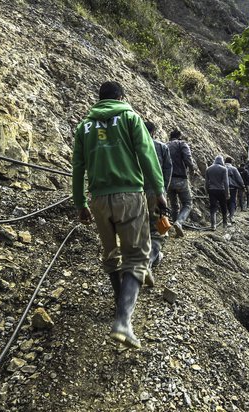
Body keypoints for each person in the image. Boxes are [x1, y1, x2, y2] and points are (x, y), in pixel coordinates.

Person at [72, 81, 167, 349]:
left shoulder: (84, 127)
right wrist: (159, 191)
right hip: (129, 195)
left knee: (111, 254)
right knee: (137, 256)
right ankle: (123, 321)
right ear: (122, 97)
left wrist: (80, 203)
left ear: (99, 99)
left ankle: (119, 304)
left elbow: (78, 167)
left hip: (99, 200)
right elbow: (147, 155)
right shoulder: (130, 118)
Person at [143, 121, 172, 287]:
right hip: (155, 193)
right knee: (158, 231)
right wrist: (163, 192)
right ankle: (148, 262)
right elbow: (167, 170)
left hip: (133, 193)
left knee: (138, 228)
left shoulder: (131, 146)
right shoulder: (161, 147)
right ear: (153, 132)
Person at [167, 129, 195, 237]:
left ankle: (176, 228)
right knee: (187, 203)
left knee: (174, 205)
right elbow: (188, 158)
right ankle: (179, 222)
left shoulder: (165, 145)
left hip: (168, 180)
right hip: (181, 179)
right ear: (179, 136)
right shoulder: (181, 144)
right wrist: (192, 169)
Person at [205, 155, 229, 230]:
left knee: (213, 207)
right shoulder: (224, 169)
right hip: (221, 190)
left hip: (212, 190)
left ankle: (213, 225)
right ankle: (225, 223)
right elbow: (226, 182)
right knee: (223, 206)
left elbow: (206, 182)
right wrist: (227, 193)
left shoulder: (208, 169)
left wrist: (206, 190)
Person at [224, 156, 244, 224]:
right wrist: (242, 186)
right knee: (232, 202)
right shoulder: (234, 169)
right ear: (231, 162)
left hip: (222, 188)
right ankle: (231, 216)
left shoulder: (222, 168)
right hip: (232, 188)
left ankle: (225, 217)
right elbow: (239, 179)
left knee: (224, 201)